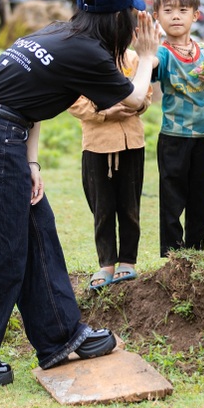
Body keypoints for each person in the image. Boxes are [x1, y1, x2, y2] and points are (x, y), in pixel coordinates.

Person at [0, 0, 159, 387]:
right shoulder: (88, 52)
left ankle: (61, 337)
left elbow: (30, 101)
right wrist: (147, 56)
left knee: (39, 235)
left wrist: (32, 163)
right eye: (131, 16)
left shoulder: (60, 34)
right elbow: (133, 99)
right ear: (118, 19)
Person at [152, 0, 204, 256]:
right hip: (174, 136)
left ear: (195, 15)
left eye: (183, 10)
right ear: (157, 17)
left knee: (200, 195)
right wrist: (145, 49)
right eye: (168, 10)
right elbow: (149, 69)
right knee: (172, 195)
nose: (175, 16)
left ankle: (197, 249)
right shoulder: (161, 53)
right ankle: (173, 252)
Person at [68, 48, 151, 291]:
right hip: (97, 145)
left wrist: (135, 105)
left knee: (130, 206)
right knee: (101, 208)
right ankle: (106, 264)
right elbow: (72, 99)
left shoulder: (133, 58)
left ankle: (127, 261)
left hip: (132, 142)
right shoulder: (83, 58)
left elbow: (145, 92)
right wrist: (103, 112)